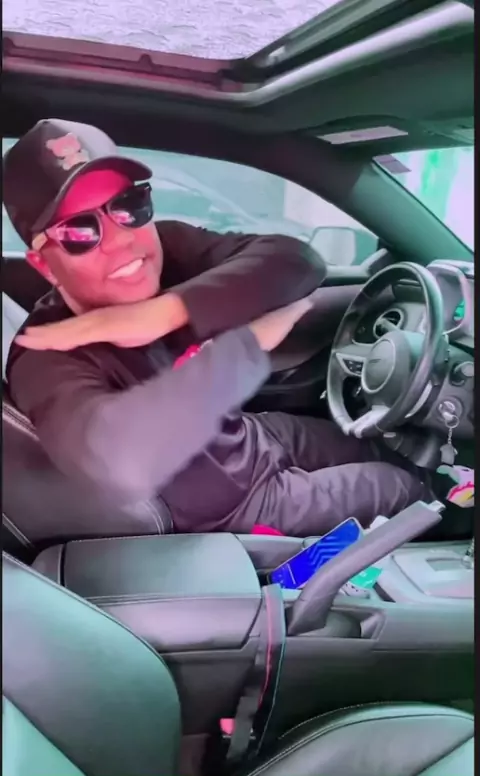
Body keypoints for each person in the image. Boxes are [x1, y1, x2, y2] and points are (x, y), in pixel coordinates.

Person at [3, 119, 433, 537]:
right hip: (233, 504)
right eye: (79, 231)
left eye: (129, 206)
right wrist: (244, 348)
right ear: (44, 265)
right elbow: (119, 459)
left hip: (248, 436)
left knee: (375, 443)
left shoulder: (162, 248)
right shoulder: (42, 357)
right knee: (406, 489)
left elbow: (297, 260)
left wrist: (166, 311)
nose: (121, 239)